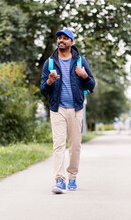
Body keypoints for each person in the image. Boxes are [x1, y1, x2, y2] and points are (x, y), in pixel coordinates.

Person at [40, 29, 95, 194]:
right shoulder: (50, 62)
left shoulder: (80, 61)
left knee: (75, 146)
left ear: (72, 42)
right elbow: (43, 90)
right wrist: (49, 81)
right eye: (59, 38)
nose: (61, 41)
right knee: (58, 145)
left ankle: (72, 177)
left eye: (65, 38)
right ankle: (59, 180)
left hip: (76, 109)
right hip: (57, 109)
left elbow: (91, 86)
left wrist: (85, 76)